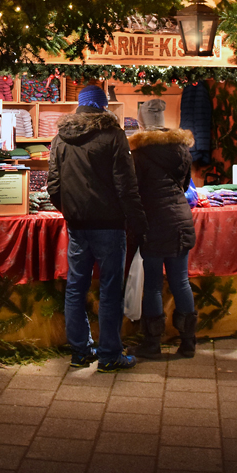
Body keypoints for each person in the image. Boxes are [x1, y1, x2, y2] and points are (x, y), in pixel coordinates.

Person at [49, 85, 147, 372]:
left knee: (75, 288)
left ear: (80, 106)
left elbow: (53, 186)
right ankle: (109, 355)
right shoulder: (113, 135)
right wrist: (137, 221)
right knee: (109, 290)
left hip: (77, 226)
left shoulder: (60, 138)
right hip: (109, 226)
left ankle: (80, 352)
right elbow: (126, 185)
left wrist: (70, 211)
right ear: (103, 106)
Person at [128, 99, 199, 359]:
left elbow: (134, 190)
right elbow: (185, 184)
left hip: (155, 221)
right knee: (181, 281)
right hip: (181, 218)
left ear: (142, 122)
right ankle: (188, 342)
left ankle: (152, 343)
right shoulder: (181, 149)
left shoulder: (139, 153)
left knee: (154, 286)